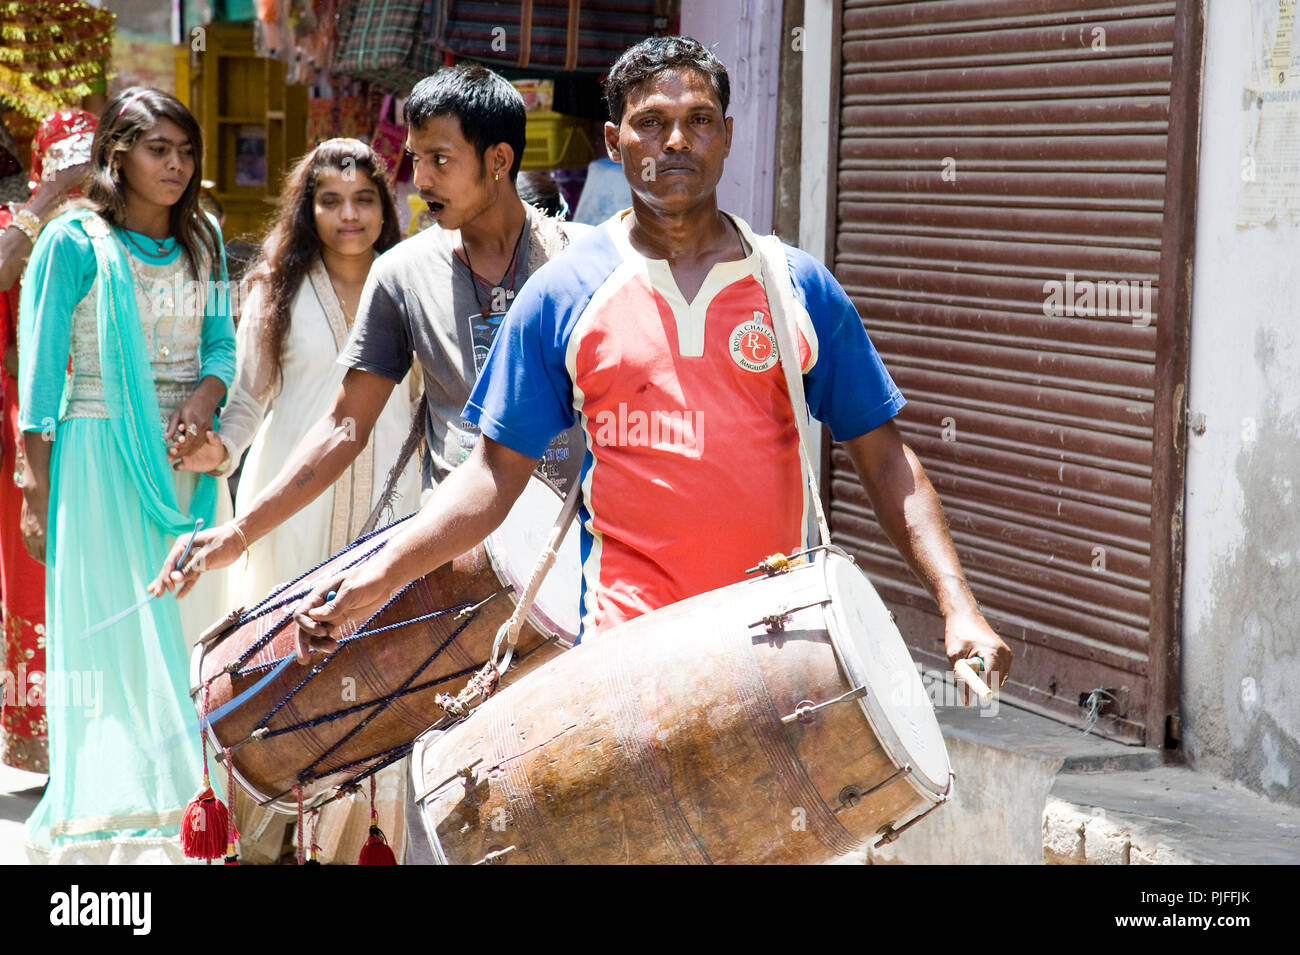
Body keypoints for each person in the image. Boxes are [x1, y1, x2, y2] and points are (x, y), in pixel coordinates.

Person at [279, 37, 1013, 690]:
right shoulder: (563, 292)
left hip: (781, 653)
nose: (676, 142)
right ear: (614, 140)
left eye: (698, 120)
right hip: (625, 659)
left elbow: (886, 459)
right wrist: (371, 582)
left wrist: (960, 606)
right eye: (650, 123)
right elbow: (489, 476)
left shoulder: (796, 285)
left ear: (727, 137)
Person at [152, 63, 586, 612]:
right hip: (452, 559)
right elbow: (343, 425)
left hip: (578, 547)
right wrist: (240, 533)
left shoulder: (582, 261)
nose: (421, 179)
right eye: (416, 158)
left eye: (440, 160)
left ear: (498, 161)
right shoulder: (403, 275)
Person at [184, 138, 421, 863]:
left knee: (381, 673)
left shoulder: (417, 281)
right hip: (290, 507)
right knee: (287, 671)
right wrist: (218, 451)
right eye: (330, 200)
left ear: (386, 207)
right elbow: (252, 400)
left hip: (393, 504)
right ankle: (269, 844)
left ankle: (360, 842)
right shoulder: (273, 288)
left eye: (364, 199)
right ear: (307, 209)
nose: (349, 215)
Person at [19, 87, 235, 863]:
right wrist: (37, 490)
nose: (176, 166)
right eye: (158, 150)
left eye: (185, 152)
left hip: (183, 462)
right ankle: (112, 824)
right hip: (98, 454)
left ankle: (187, 807)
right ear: (117, 156)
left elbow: (222, 347)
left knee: (183, 633)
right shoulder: (74, 243)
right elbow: (42, 378)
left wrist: (205, 402)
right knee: (112, 633)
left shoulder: (205, 237)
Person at [0, 108, 96, 773]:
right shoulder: (18, 229)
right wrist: (45, 199)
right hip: (25, 435)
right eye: (65, 162)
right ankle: (40, 739)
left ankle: (95, 743)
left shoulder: (116, 235)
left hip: (99, 429)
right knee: (29, 581)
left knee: (95, 585)